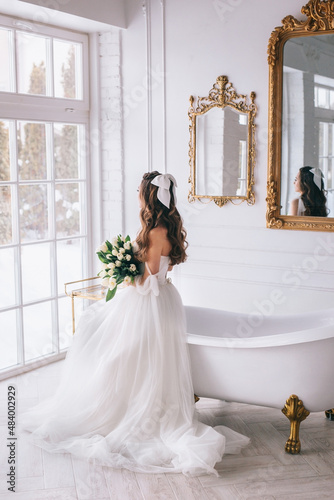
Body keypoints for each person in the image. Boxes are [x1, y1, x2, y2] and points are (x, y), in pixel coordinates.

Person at [19, 171, 249, 476]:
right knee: (140, 360)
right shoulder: (161, 226)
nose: (137, 195)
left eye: (139, 191)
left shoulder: (156, 232)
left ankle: (123, 413)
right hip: (157, 300)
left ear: (148, 195)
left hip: (149, 303)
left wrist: (125, 275)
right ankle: (125, 404)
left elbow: (148, 277)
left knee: (125, 356)